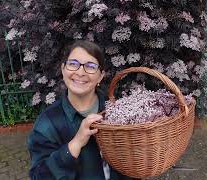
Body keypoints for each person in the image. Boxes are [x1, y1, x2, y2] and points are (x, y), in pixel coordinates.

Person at [27, 40, 136, 180]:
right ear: (63, 69)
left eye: (90, 66)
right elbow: (39, 176)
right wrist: (76, 143)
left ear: (100, 76)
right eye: (73, 64)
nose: (80, 72)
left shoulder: (119, 111)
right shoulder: (48, 123)